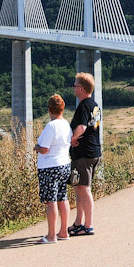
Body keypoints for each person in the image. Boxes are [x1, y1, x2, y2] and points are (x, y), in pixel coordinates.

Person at [34, 94, 72, 243]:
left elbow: (44, 149)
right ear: (62, 108)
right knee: (63, 198)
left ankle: (51, 235)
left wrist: (36, 147)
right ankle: (64, 232)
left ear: (50, 110)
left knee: (51, 201)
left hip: (50, 167)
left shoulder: (51, 126)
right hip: (64, 164)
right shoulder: (65, 124)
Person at [68, 72, 101, 236]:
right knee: (79, 188)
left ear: (81, 88)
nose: (73, 87)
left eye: (75, 85)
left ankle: (88, 226)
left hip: (84, 154)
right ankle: (78, 223)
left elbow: (81, 127)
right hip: (92, 152)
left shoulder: (83, 106)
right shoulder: (94, 104)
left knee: (85, 189)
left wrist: (72, 139)